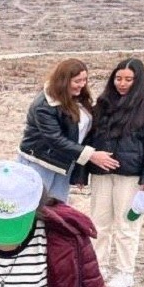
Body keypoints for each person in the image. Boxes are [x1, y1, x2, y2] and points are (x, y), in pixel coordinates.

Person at [86, 58, 144, 287]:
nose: (122, 84)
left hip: (132, 176)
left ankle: (125, 271)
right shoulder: (104, 103)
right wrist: (84, 172)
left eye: (128, 79)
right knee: (99, 223)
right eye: (118, 78)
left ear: (139, 80)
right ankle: (98, 268)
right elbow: (91, 138)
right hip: (102, 172)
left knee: (126, 225)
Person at [18, 58, 117, 202]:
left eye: (84, 80)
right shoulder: (44, 105)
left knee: (57, 209)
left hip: (63, 163)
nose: (82, 85)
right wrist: (91, 155)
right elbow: (55, 139)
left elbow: (80, 135)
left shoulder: (78, 98)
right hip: (39, 162)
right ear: (63, 81)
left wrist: (79, 172)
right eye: (77, 81)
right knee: (33, 206)